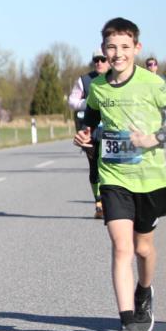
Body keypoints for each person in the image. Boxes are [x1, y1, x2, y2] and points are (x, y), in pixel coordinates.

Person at [73, 17, 166, 331]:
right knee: (122, 247)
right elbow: (91, 119)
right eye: (112, 47)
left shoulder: (153, 84)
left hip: (150, 179)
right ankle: (128, 323)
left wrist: (155, 136)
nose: (118, 53)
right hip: (114, 178)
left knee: (143, 249)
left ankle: (145, 291)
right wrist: (85, 135)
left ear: (137, 48)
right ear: (103, 51)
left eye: (125, 47)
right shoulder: (98, 88)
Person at [68, 52, 112, 218]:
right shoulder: (84, 80)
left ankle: (111, 202)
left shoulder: (116, 78)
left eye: (103, 59)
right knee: (94, 167)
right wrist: (89, 103)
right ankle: (98, 203)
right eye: (96, 60)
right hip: (90, 131)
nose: (99, 63)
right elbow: (72, 101)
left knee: (108, 167)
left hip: (110, 131)